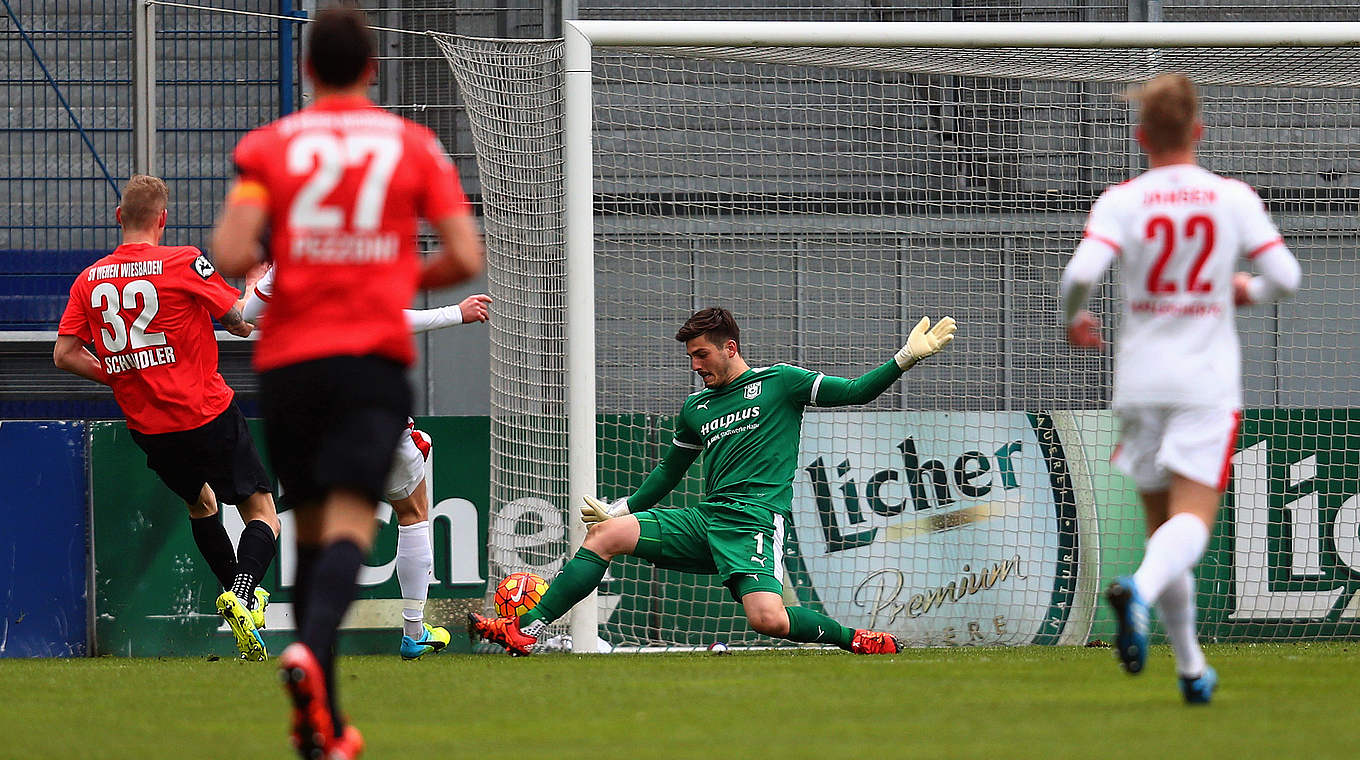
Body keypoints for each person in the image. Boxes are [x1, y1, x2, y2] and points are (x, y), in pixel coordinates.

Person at [210, 6, 484, 759]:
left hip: (291, 368)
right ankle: (320, 675)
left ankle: (323, 722)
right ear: (371, 70)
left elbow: (231, 247)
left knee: (309, 529)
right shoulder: (412, 144)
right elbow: (462, 256)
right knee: (358, 527)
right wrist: (383, 275)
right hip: (367, 362)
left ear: (306, 70)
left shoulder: (271, 147)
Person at [469, 306, 956, 656]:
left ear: (731, 347)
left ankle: (857, 640)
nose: (696, 365)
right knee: (605, 535)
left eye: (702, 355)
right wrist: (624, 509)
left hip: (752, 523)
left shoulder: (781, 382)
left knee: (768, 619)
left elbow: (853, 393)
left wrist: (904, 358)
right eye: (691, 358)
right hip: (706, 518)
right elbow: (668, 471)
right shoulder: (696, 408)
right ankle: (527, 630)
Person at [1060, 74, 1301, 704]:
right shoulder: (1231, 197)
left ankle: (1192, 671)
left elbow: (1081, 273)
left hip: (1139, 382)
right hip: (1204, 382)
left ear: (1140, 137)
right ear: (1197, 131)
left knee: (1161, 529)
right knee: (1190, 524)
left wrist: (1073, 320)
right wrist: (1244, 289)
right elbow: (1287, 275)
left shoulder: (1123, 199)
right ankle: (1137, 590)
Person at [54, 173, 281, 662]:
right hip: (206, 412)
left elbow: (65, 354)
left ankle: (241, 612)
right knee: (262, 512)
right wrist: (254, 290)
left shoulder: (87, 281)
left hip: (151, 428)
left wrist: (116, 374)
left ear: (119, 217)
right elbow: (240, 321)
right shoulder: (183, 261)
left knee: (201, 504)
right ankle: (242, 596)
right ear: (163, 218)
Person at [241, 264, 493, 659]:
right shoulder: (357, 253)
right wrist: (455, 313)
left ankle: (307, 639)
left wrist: (255, 286)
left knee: (320, 526)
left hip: (309, 418)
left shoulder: (285, 265)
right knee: (411, 511)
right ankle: (413, 632)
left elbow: (245, 318)